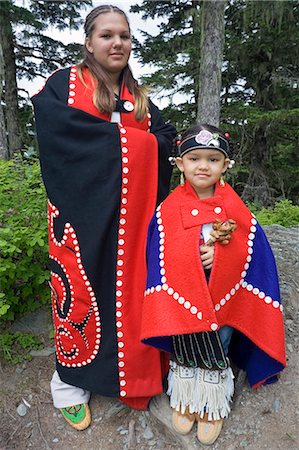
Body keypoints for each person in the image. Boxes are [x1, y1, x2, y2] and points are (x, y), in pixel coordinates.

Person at [31, 4, 176, 430]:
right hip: (81, 216)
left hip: (132, 222)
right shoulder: (65, 85)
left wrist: (138, 146)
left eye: (125, 36)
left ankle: (134, 375)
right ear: (89, 42)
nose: (117, 43)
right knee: (81, 295)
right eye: (107, 35)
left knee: (132, 297)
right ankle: (69, 384)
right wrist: (134, 144)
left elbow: (164, 139)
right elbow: (60, 137)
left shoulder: (140, 97)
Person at [141, 124, 286, 445]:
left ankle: (212, 405)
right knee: (185, 346)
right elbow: (160, 249)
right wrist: (191, 255)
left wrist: (222, 256)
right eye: (194, 158)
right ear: (180, 164)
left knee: (218, 344)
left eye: (212, 159)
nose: (203, 166)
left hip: (222, 296)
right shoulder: (168, 209)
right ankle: (186, 398)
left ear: (225, 165)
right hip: (182, 298)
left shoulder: (234, 207)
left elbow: (252, 250)